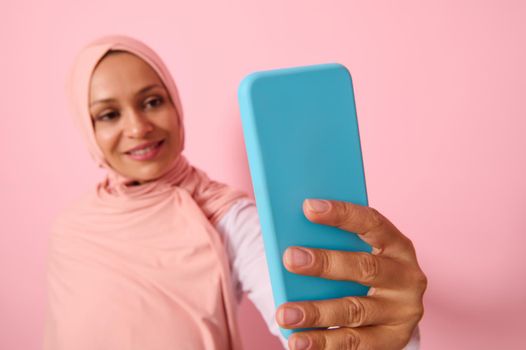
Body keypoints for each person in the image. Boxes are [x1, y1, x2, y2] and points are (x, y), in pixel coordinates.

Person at [43, 35, 426, 350]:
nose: (139, 127)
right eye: (109, 114)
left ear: (176, 107)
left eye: (152, 102)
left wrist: (386, 331)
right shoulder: (71, 229)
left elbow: (319, 330)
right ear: (88, 128)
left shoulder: (229, 218)